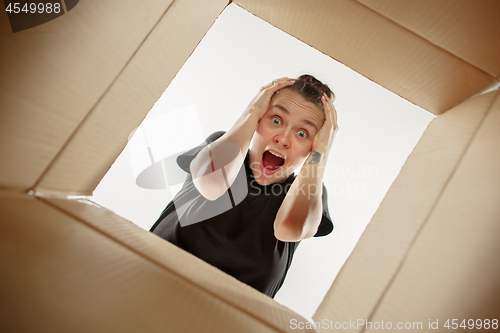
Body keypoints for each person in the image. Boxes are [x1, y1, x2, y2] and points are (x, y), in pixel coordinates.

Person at [150, 75, 339, 297]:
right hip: (150, 284)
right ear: (259, 119)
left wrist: (322, 152)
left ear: (312, 146)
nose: (283, 138)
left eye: (302, 133)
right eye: (276, 120)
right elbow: (212, 183)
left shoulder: (309, 192)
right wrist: (251, 112)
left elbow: (290, 229)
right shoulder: (220, 145)